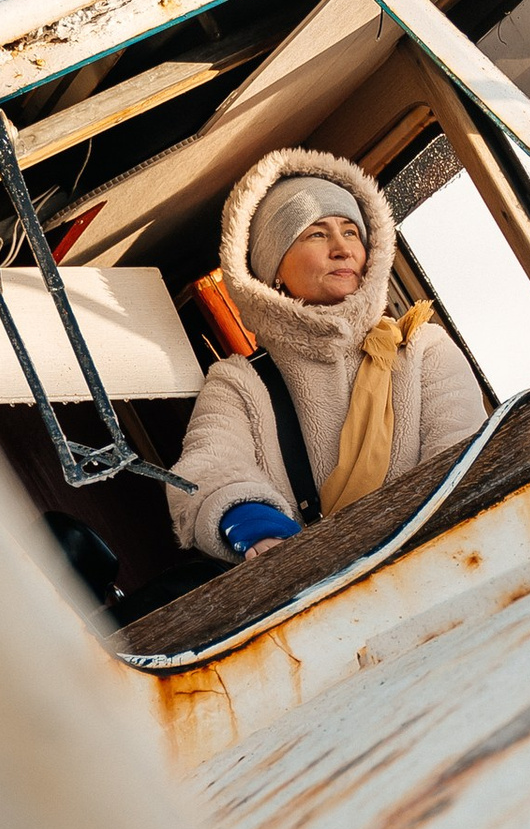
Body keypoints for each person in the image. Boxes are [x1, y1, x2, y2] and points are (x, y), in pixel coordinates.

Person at [170, 147, 486, 565]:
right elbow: (207, 467)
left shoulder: (423, 347)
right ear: (274, 269)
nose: (342, 248)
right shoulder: (239, 383)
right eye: (316, 234)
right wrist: (252, 523)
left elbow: (464, 455)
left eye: (351, 232)